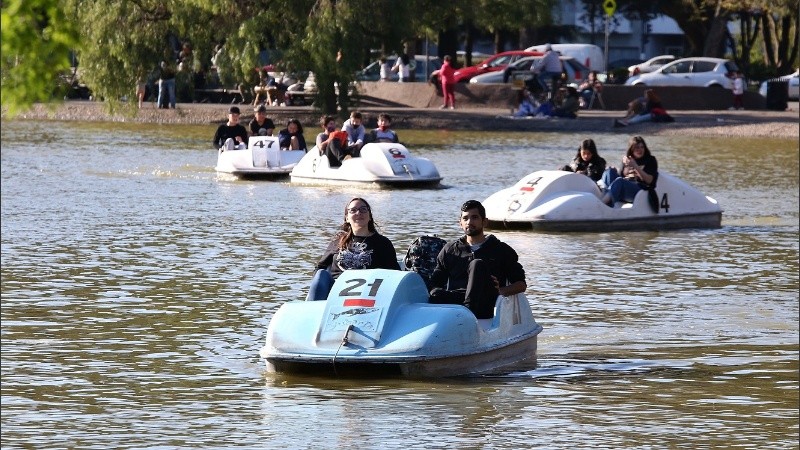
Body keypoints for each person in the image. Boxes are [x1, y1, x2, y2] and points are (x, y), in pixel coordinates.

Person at [428, 200, 527, 319]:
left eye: (474, 217)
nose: (469, 222)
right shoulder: (449, 250)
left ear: (484, 221)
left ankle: (468, 316)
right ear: (460, 223)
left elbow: (521, 284)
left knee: (476, 264)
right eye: (465, 218)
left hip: (485, 304)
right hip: (458, 301)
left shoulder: (501, 250)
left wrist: (501, 291)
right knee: (435, 294)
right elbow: (435, 283)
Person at [307, 198, 400, 301]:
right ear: (347, 218)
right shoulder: (337, 242)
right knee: (321, 274)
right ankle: (312, 310)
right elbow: (320, 267)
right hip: (335, 290)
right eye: (353, 210)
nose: (358, 213)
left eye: (363, 209)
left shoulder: (382, 243)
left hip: (367, 292)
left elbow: (393, 273)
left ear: (369, 216)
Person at [600, 135, 658, 206]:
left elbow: (649, 180)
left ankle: (603, 204)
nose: (640, 150)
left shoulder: (650, 160)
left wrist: (635, 166)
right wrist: (613, 169)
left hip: (640, 190)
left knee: (620, 181)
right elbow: (619, 176)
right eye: (637, 147)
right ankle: (605, 198)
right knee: (609, 172)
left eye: (642, 147)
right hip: (624, 187)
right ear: (631, 149)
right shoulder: (627, 160)